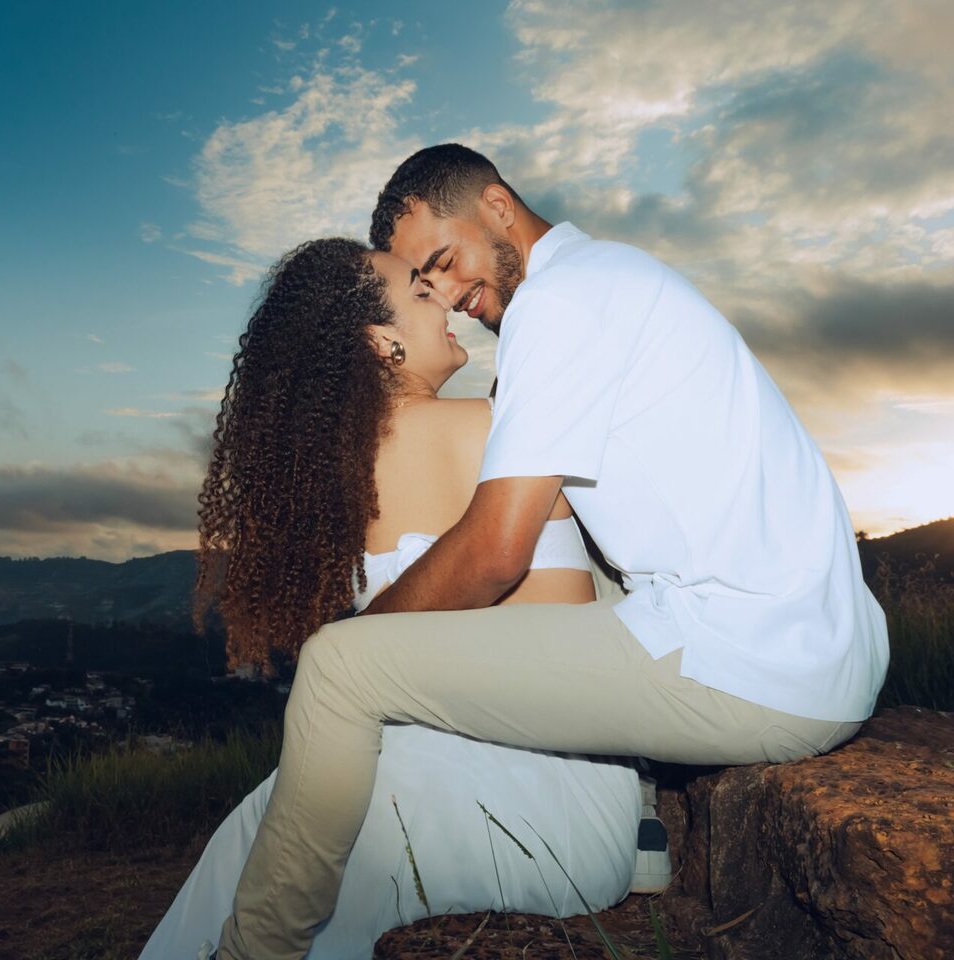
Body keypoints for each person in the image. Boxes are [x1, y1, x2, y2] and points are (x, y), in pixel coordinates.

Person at [214, 145, 890, 960]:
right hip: (817, 645)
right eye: (424, 286)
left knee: (339, 667)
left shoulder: (560, 305)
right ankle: (643, 822)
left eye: (444, 263)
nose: (453, 298)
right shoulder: (605, 284)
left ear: (498, 207)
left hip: (757, 661)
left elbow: (498, 551)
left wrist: (372, 638)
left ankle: (256, 950)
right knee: (597, 561)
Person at [139, 238, 644, 960]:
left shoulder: (341, 486)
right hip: (558, 797)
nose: (442, 294)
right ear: (383, 343)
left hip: (457, 776)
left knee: (262, 836)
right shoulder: (493, 433)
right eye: (417, 289)